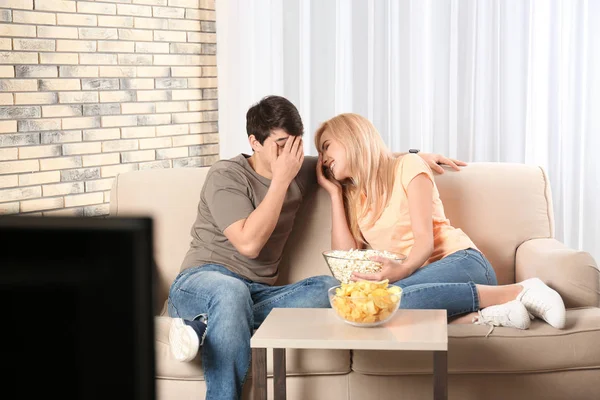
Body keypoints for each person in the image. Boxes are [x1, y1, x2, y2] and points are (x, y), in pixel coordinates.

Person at [166, 96, 471, 400]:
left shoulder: (298, 170)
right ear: (255, 142)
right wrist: (281, 182)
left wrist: (414, 156)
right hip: (204, 280)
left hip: (257, 292)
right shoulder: (227, 175)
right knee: (229, 294)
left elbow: (358, 154)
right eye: (281, 145)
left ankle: (207, 324)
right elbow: (249, 244)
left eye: (296, 146)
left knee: (331, 290)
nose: (290, 155)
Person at [314, 112, 567, 335]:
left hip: (463, 264)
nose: (323, 159)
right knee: (371, 307)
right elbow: (344, 256)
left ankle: (518, 291)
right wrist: (334, 194)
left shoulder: (408, 165)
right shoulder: (355, 198)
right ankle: (485, 315)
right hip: (422, 284)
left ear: (351, 138)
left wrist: (398, 273)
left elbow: (425, 241)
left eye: (326, 147)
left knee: (386, 301)